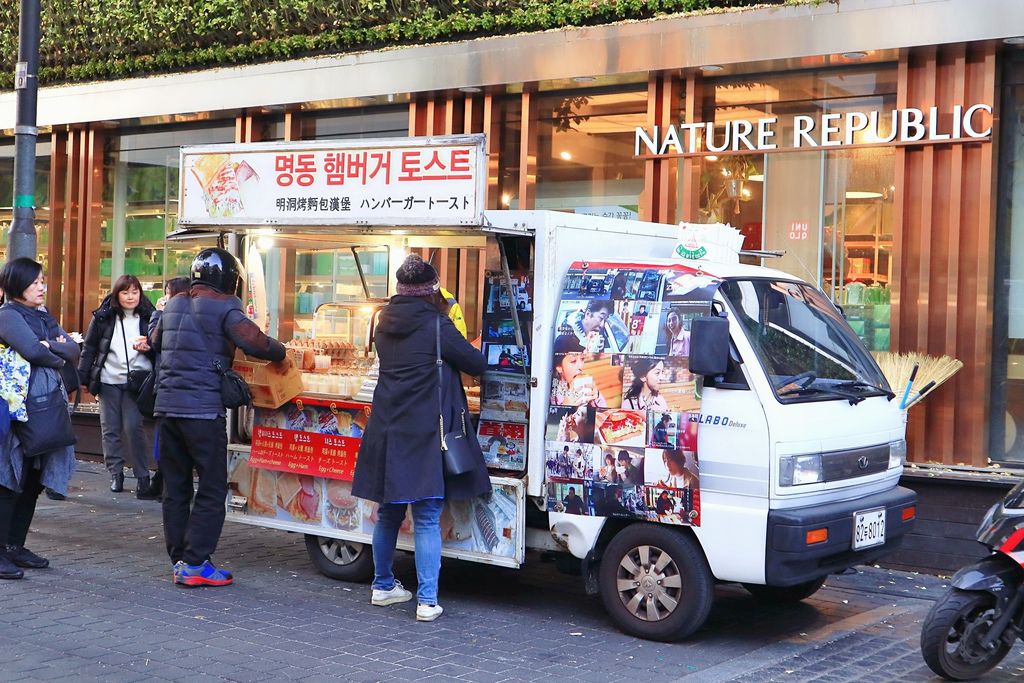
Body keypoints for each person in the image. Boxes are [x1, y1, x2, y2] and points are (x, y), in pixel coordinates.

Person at [352, 254, 489, 623]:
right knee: (427, 515)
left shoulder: (382, 322)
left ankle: (383, 587)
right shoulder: (437, 325)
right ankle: (427, 600)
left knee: (389, 511)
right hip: (425, 430)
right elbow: (475, 363)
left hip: (386, 425)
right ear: (432, 291)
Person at [148, 249, 286, 587]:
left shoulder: (174, 304)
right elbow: (254, 342)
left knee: (176, 488)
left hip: (166, 409)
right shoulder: (225, 306)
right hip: (201, 411)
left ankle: (180, 559)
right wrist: (282, 352)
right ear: (229, 280)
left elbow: (155, 341)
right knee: (211, 487)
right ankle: (196, 563)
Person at [0, 258, 80, 579]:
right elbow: (33, 351)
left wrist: (54, 347)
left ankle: (14, 546)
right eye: (35, 282)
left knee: (33, 480)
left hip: (46, 409)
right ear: (17, 284)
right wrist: (53, 349)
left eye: (43, 281)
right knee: (9, 479)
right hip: (17, 411)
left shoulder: (44, 316)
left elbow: (73, 349)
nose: (42, 287)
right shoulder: (7, 316)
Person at [78, 274, 157, 496]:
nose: (130, 297)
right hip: (108, 380)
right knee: (110, 429)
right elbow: (90, 348)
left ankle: (143, 476)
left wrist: (149, 348)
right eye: (125, 292)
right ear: (117, 294)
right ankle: (116, 473)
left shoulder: (149, 317)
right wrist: (83, 378)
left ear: (140, 293)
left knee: (134, 428)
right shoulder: (104, 317)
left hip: (136, 382)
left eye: (134, 292)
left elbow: (160, 346)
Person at [136, 276, 191, 502]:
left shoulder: (172, 315)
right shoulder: (192, 314)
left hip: (169, 388)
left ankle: (168, 486)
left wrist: (158, 313)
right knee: (169, 441)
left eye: (167, 292)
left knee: (167, 441)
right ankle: (162, 483)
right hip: (179, 388)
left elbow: (157, 340)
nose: (164, 297)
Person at [549, 334, 606, 407]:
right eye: (573, 361)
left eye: (582, 359)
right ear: (559, 367)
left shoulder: (587, 387)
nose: (581, 366)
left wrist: (596, 397)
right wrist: (565, 406)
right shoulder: (552, 394)